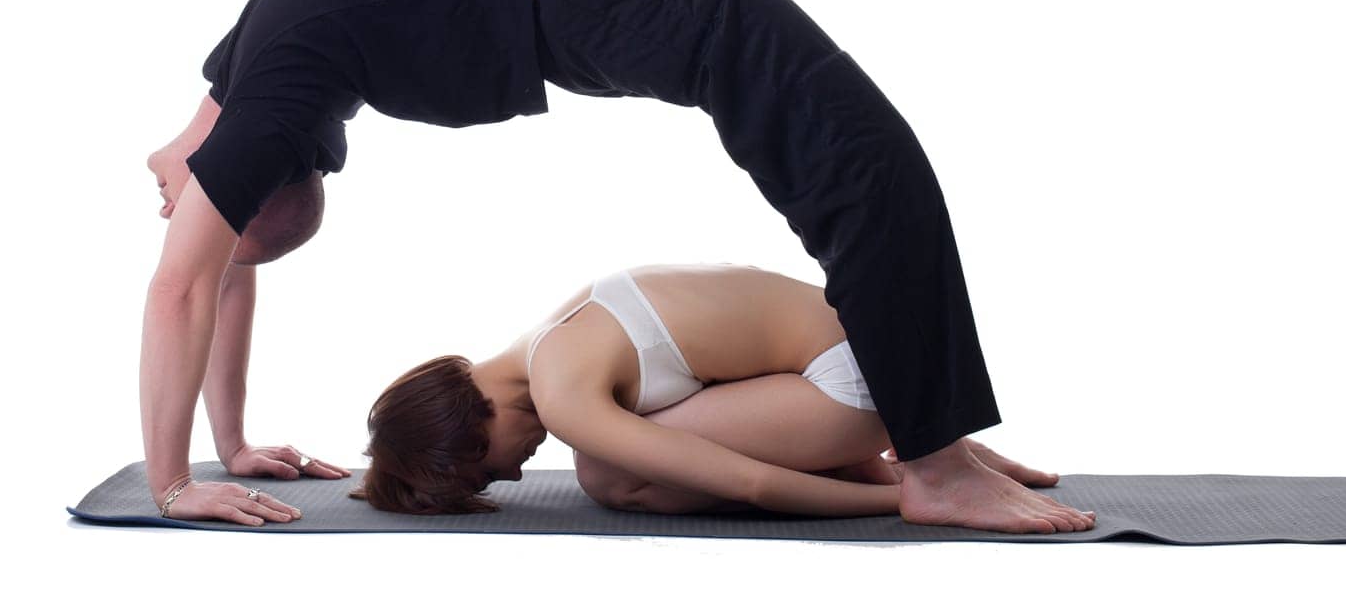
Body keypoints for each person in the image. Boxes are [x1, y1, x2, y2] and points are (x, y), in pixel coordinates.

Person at [143, 0, 1089, 533]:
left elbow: (184, 287)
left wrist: (174, 483)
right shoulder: (255, 75)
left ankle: (932, 462)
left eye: (206, 215)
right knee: (851, 158)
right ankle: (930, 440)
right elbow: (216, 276)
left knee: (862, 164)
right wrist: (227, 444)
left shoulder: (262, 104)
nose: (182, 218)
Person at [350, 262, 1092, 528]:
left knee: (611, 475)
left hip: (856, 384)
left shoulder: (564, 390)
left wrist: (906, 498)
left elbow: (752, 482)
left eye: (487, 471)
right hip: (877, 357)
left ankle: (926, 469)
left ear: (469, 436)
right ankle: (933, 440)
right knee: (611, 460)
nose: (513, 476)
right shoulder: (553, 331)